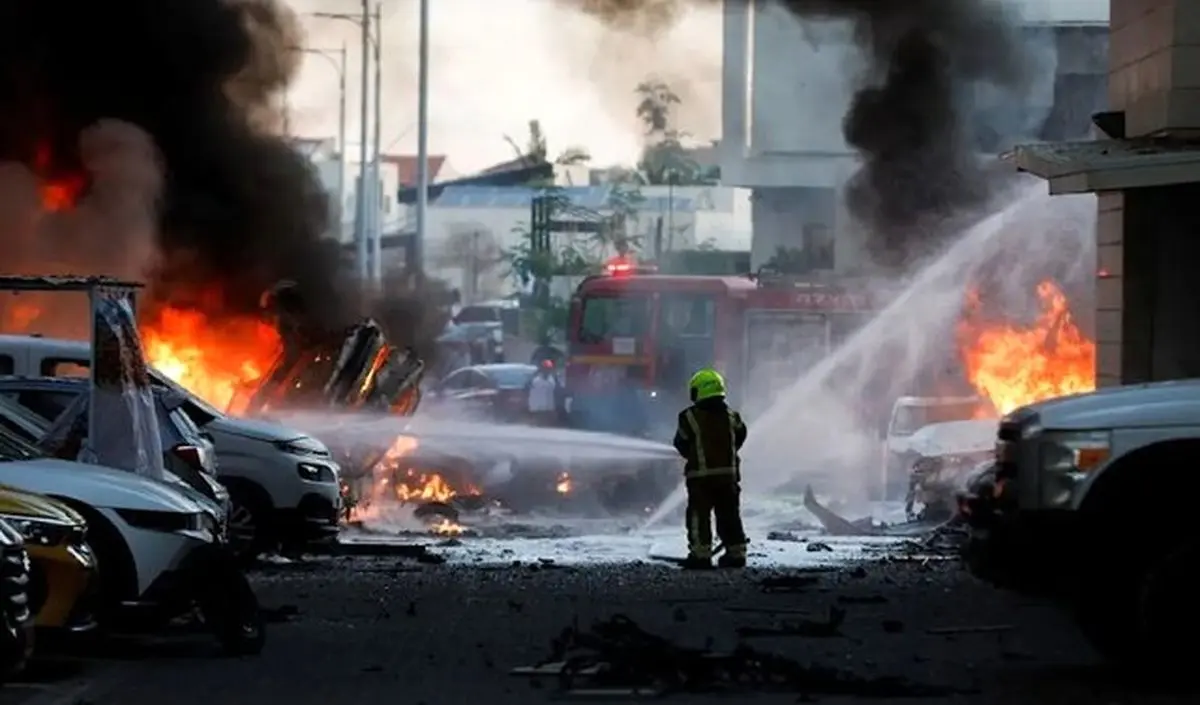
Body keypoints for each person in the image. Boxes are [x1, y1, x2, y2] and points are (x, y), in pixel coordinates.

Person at [672, 368, 749, 569]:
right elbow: (740, 436)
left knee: (699, 515)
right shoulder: (733, 416)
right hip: (728, 476)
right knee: (729, 515)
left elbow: (681, 442)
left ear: (698, 391)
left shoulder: (688, 417)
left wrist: (695, 454)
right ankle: (736, 553)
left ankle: (701, 554)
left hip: (701, 478)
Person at [527, 359, 559, 426]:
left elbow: (555, 392)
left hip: (548, 409)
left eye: (549, 368)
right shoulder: (535, 380)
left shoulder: (552, 380)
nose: (547, 370)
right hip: (536, 409)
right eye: (546, 368)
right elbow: (528, 391)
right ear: (542, 368)